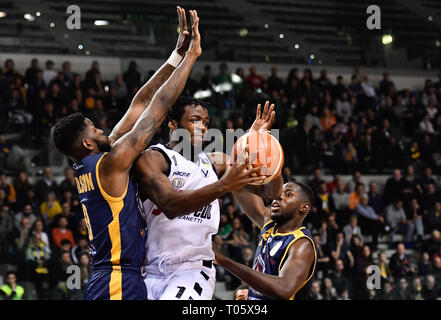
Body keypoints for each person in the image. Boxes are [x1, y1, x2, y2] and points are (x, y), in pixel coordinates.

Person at [51, 6, 198, 300]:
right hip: (117, 279)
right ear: (87, 144)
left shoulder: (100, 162)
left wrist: (176, 55)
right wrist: (192, 57)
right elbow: (156, 111)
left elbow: (140, 103)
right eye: (94, 128)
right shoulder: (110, 165)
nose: (102, 129)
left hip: (116, 275)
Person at [137, 100, 281, 300]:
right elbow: (170, 205)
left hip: (193, 269)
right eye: (194, 121)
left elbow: (270, 193)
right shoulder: (154, 159)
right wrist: (223, 185)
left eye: (205, 123)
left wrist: (259, 147)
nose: (202, 127)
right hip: (148, 270)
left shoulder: (216, 163)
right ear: (173, 124)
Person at [214, 182, 318, 300]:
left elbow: (284, 289)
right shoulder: (269, 226)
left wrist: (223, 260)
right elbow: (241, 188)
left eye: (288, 194)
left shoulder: (301, 244)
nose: (278, 196)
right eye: (279, 192)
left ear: (304, 207)